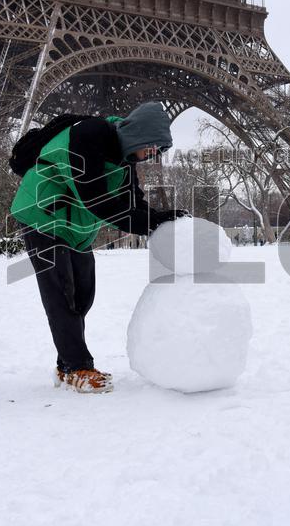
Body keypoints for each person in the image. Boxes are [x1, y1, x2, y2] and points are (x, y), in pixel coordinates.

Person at [10, 102, 186, 394]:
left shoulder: (125, 158)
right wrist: (150, 222)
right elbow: (98, 200)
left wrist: (161, 218)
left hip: (74, 226)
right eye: (154, 148)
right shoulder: (88, 134)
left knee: (83, 294)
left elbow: (131, 203)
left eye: (160, 152)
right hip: (41, 215)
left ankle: (66, 365)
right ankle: (77, 366)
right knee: (61, 291)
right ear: (141, 135)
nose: (153, 156)